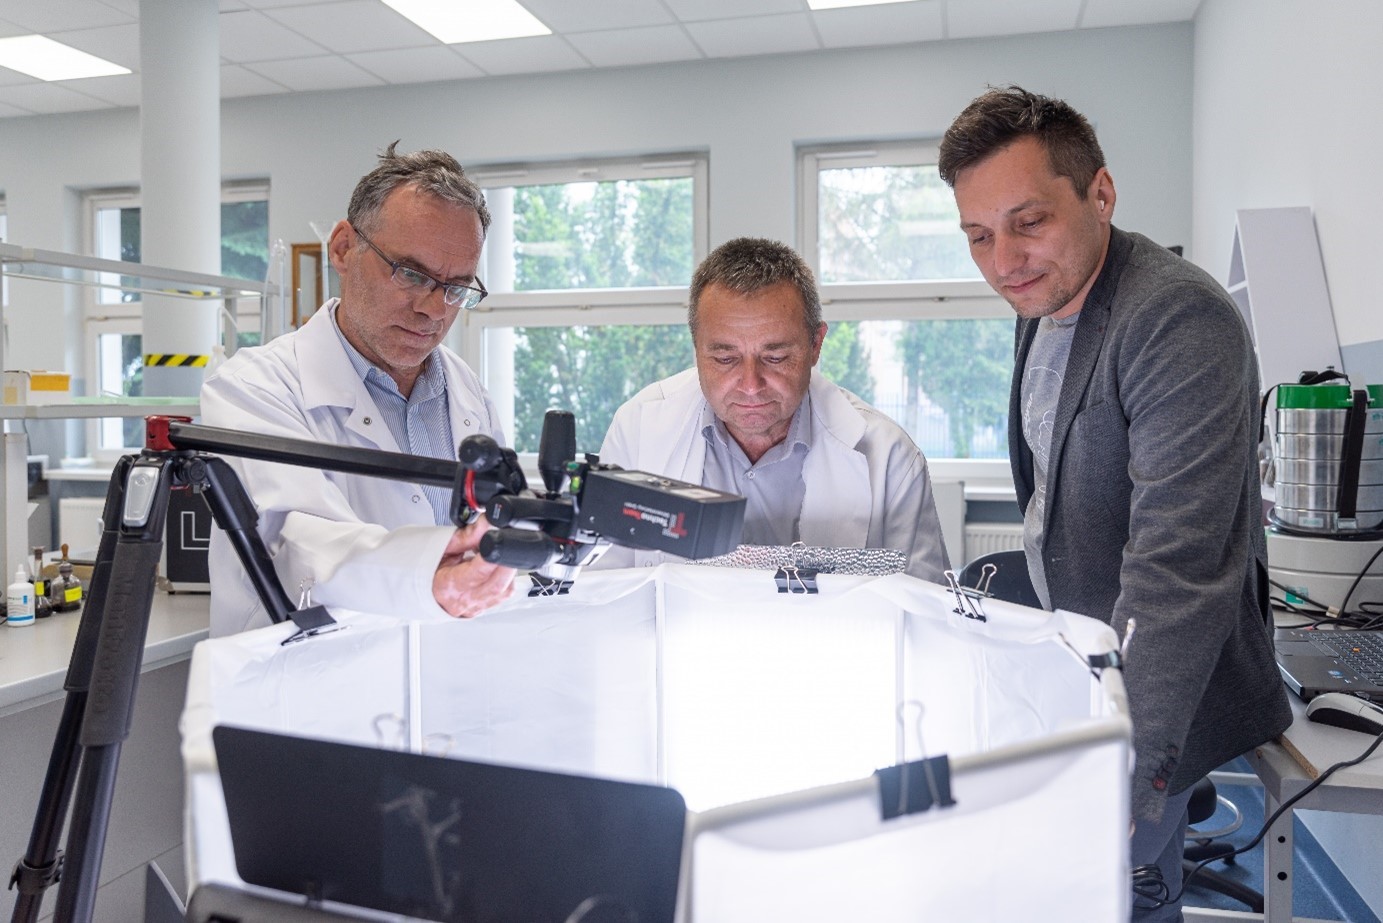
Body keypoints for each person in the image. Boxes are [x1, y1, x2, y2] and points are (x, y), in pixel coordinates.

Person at [938, 86, 1291, 919]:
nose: (1002, 260)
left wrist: (1122, 772)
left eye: (1028, 221)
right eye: (978, 236)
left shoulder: (1176, 318)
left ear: (1099, 192)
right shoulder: (1046, 298)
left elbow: (1176, 570)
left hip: (1157, 692)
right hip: (1079, 658)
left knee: (1118, 898)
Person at [202, 143, 516, 637]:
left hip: (439, 665)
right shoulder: (254, 388)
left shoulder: (467, 393)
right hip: (307, 676)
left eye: (456, 288)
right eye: (411, 274)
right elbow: (297, 543)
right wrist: (427, 577)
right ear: (344, 248)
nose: (434, 309)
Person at [598, 237, 950, 582]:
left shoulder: (889, 456)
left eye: (776, 357)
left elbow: (924, 606)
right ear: (696, 348)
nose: (751, 385)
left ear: (816, 345)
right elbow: (601, 589)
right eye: (725, 359)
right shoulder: (638, 429)